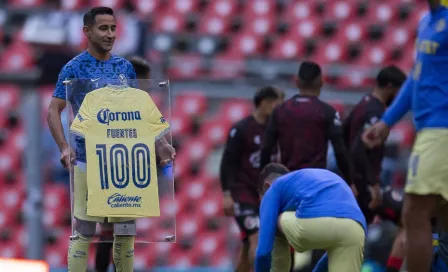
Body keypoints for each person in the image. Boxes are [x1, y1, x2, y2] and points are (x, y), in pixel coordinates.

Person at [46, 7, 174, 272]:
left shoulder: (123, 67)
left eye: (113, 28)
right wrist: (63, 146)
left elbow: (139, 109)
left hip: (121, 162)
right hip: (86, 160)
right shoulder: (74, 68)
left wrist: (160, 143)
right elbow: (53, 111)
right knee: (84, 230)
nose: (110, 34)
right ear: (87, 31)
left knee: (125, 231)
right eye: (103, 28)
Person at [362, 1, 448, 271]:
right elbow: (416, 76)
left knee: (414, 212)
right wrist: (387, 122)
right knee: (443, 215)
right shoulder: (427, 20)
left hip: (441, 129)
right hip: (430, 130)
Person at [260, 61, 356, 194]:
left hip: (288, 182)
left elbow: (266, 149)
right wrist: (350, 182)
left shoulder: (280, 111)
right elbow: (340, 151)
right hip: (316, 183)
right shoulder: (327, 112)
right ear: (321, 82)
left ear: (297, 82)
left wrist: (263, 181)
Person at [94, 55, 152, 272]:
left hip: (125, 174)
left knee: (115, 231)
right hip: (114, 174)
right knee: (114, 231)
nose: (149, 87)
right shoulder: (116, 105)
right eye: (147, 81)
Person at [255, 163, 366, 272]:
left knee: (272, 223)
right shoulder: (306, 183)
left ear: (267, 187)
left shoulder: (274, 188)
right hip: (357, 229)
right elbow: (335, 247)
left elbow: (263, 253)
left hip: (310, 226)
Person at [220, 86, 284, 272]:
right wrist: (227, 194)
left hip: (264, 194)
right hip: (242, 193)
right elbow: (227, 163)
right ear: (265, 104)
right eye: (276, 105)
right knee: (256, 237)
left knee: (249, 243)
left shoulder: (274, 131)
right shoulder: (241, 129)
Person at [343, 65, 406, 223]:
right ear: (390, 87)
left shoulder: (364, 102)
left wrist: (347, 176)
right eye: (400, 91)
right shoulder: (375, 112)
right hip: (364, 184)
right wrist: (373, 183)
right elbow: (358, 149)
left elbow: (342, 135)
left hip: (353, 181)